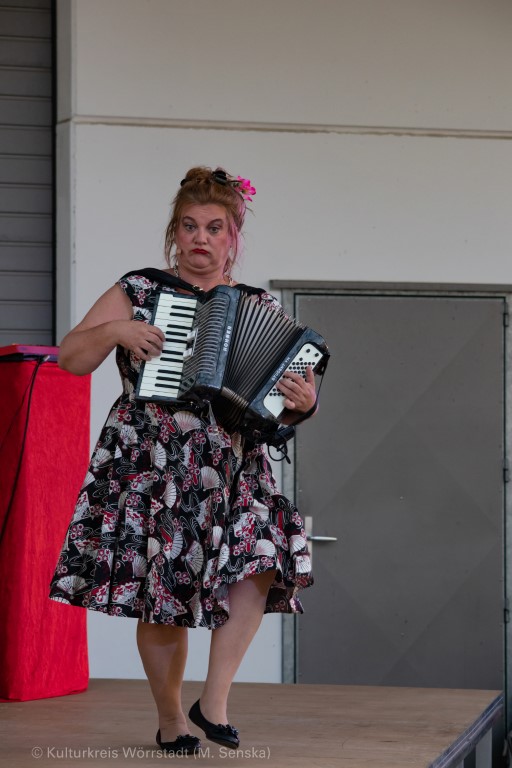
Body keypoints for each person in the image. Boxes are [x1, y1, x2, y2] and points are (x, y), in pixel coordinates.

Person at [49, 166, 317, 754]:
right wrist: (118, 330)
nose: (201, 238)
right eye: (190, 226)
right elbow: (70, 357)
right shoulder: (138, 290)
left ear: (232, 237)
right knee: (164, 591)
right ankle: (171, 717)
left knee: (262, 558)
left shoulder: (258, 305)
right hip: (154, 461)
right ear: (175, 232)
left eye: (214, 227)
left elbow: (279, 407)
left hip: (232, 464)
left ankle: (212, 701)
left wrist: (304, 402)